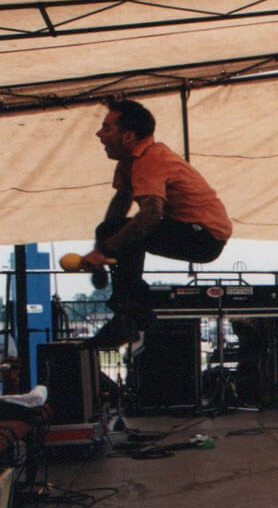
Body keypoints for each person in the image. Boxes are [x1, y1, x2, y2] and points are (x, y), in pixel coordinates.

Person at [82, 98, 232, 349]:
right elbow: (118, 209)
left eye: (106, 128)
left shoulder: (150, 160)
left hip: (205, 237)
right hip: (190, 230)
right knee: (111, 229)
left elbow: (150, 216)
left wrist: (105, 251)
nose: (99, 134)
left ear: (128, 136)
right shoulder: (129, 161)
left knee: (131, 230)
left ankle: (132, 315)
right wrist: (102, 252)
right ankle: (131, 312)